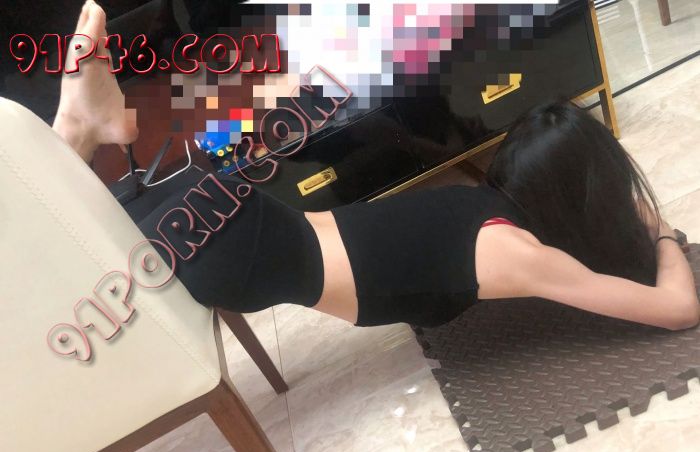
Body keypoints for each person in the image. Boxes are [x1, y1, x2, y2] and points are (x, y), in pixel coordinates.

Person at [53, 1, 699, 331]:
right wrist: (661, 232)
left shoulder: (494, 217)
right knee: (54, 247)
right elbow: (678, 308)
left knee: (65, 232)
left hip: (246, 227)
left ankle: (86, 131)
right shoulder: (519, 251)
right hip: (243, 250)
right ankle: (82, 131)